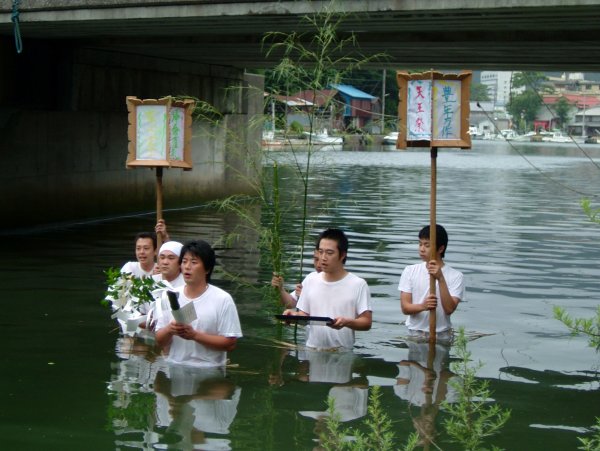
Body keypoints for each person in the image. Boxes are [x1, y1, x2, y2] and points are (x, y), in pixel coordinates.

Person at [155, 240, 243, 367]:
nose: (187, 266)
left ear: (207, 269)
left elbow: (230, 344)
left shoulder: (222, 299)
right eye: (184, 262)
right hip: (175, 367)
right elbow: (159, 341)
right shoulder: (169, 296)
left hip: (209, 370)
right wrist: (169, 329)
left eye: (194, 262)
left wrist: (195, 335)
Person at [284, 228, 372, 350]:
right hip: (313, 350)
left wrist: (347, 322)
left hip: (342, 352)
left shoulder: (358, 284)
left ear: (342, 255)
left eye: (329, 253)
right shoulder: (311, 280)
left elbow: (366, 322)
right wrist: (293, 316)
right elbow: (305, 316)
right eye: (320, 252)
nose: (323, 258)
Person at [398, 224, 465, 342]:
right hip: (415, 333)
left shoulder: (456, 276)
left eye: (427, 245)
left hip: (442, 335)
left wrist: (441, 278)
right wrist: (423, 306)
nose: (421, 249)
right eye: (420, 244)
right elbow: (405, 307)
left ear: (440, 249)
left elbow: (449, 309)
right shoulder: (410, 271)